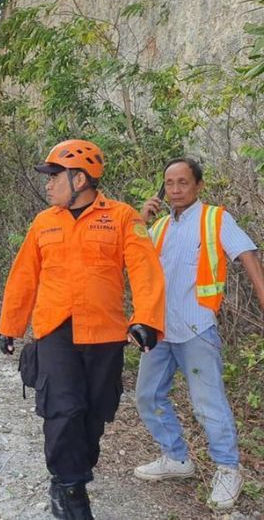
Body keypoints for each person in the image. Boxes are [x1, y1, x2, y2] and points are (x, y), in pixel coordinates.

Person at [0, 139, 165, 520]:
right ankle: (67, 487)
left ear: (80, 179)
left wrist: (147, 319)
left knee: (95, 412)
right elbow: (24, 276)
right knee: (63, 409)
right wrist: (11, 324)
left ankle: (76, 471)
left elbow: (144, 269)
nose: (48, 184)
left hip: (104, 331)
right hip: (55, 329)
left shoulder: (122, 217)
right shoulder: (44, 222)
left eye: (54, 176)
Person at [133, 157, 264, 510]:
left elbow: (247, 254)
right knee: (147, 396)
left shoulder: (215, 218)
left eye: (183, 183)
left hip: (196, 328)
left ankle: (227, 468)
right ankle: (176, 458)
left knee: (208, 403)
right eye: (169, 183)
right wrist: (140, 222)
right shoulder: (158, 227)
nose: (175, 190)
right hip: (160, 331)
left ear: (198, 186)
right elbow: (132, 263)